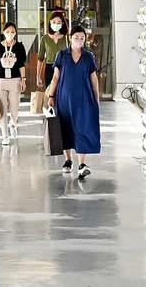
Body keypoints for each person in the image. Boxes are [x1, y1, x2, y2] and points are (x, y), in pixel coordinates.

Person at [45, 25, 101, 178]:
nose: (79, 40)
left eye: (82, 38)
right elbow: (55, 77)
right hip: (64, 98)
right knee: (65, 128)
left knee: (83, 127)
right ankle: (68, 160)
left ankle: (82, 163)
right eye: (76, 37)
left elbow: (93, 78)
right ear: (70, 38)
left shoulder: (88, 56)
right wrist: (51, 96)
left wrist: (96, 98)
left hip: (84, 99)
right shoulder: (62, 55)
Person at [0, 22, 27, 146]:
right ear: (3, 32)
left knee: (14, 107)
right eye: (7, 32)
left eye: (12, 32)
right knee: (2, 109)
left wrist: (23, 79)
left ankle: (13, 123)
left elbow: (21, 64)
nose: (10, 34)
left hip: (15, 79)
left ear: (15, 33)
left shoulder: (19, 47)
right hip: (0, 80)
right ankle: (5, 136)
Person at [32, 11, 67, 92]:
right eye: (54, 22)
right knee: (50, 93)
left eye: (58, 22)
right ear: (50, 22)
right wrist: (38, 76)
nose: (56, 24)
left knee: (62, 94)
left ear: (62, 23)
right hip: (49, 68)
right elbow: (40, 58)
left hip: (63, 68)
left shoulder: (66, 39)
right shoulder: (45, 38)